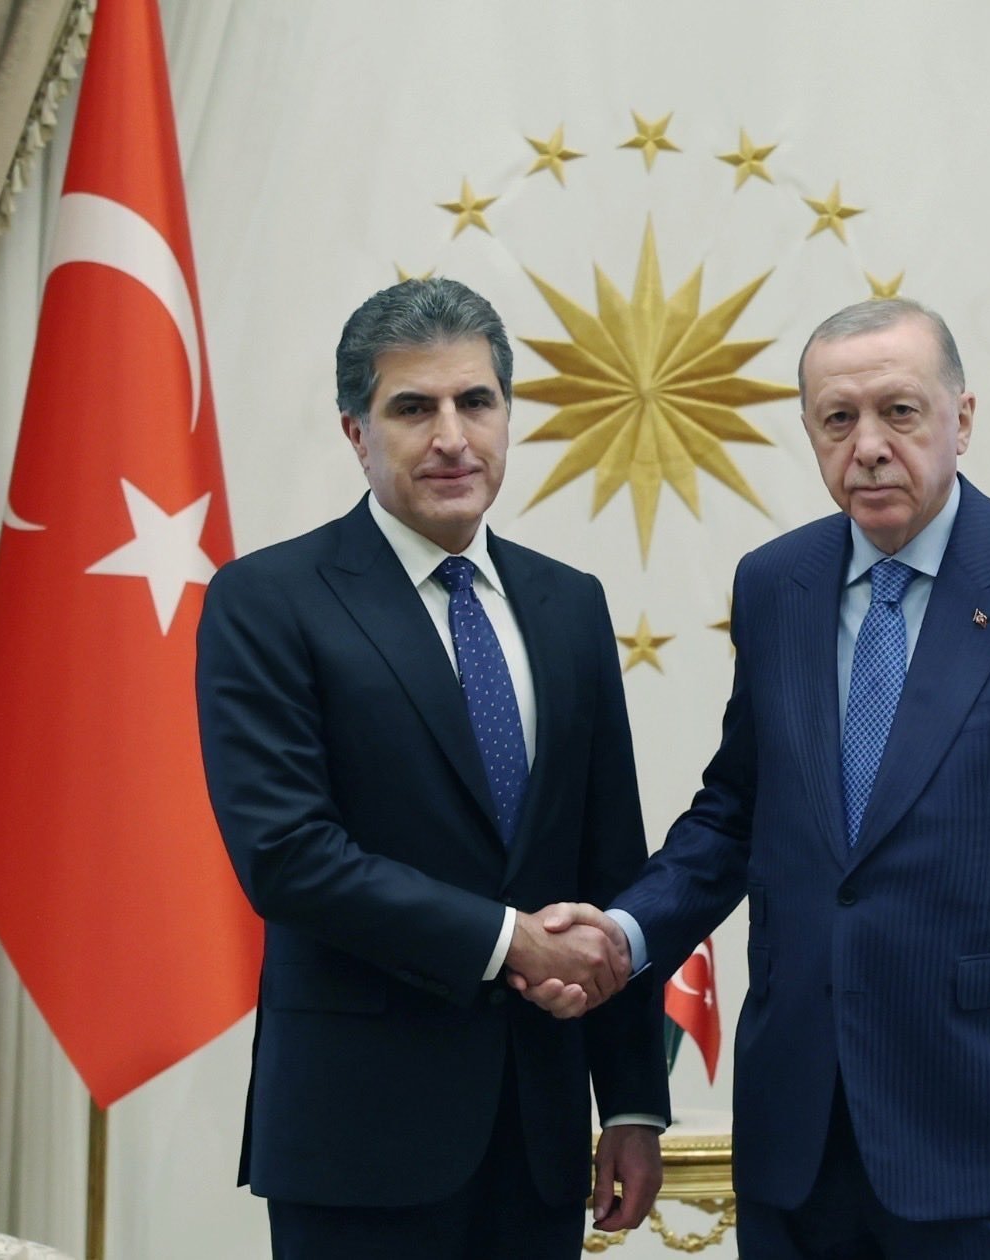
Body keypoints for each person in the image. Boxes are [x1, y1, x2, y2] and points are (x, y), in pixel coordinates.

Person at [518, 298, 990, 1258]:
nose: (868, 446)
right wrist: (624, 933)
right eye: (838, 420)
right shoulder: (776, 585)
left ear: (963, 417)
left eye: (899, 413)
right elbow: (738, 813)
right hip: (804, 1133)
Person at [195, 277, 668, 1259]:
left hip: (538, 1137)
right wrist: (510, 943)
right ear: (354, 432)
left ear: (506, 414)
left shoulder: (569, 604)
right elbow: (287, 855)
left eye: (475, 401)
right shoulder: (268, 600)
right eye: (413, 407)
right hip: (357, 1137)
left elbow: (607, 856)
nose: (451, 436)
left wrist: (631, 1098)